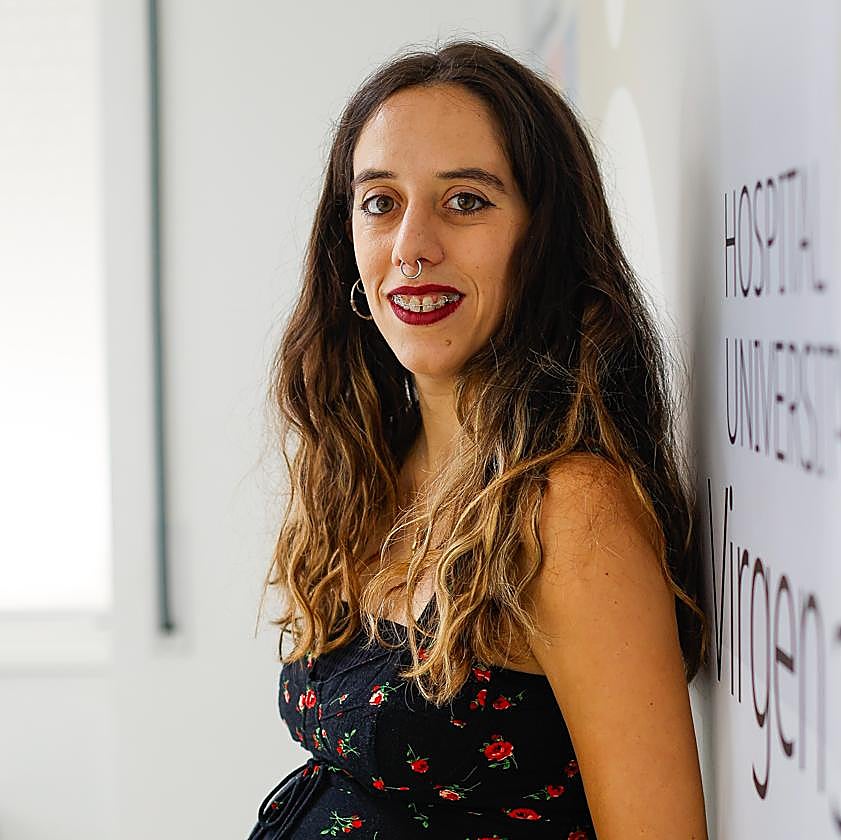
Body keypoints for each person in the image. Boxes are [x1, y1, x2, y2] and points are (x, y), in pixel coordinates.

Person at [250, 40, 708, 839]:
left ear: (545, 235)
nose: (412, 246)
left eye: (466, 201)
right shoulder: (366, 470)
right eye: (380, 202)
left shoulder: (569, 512)